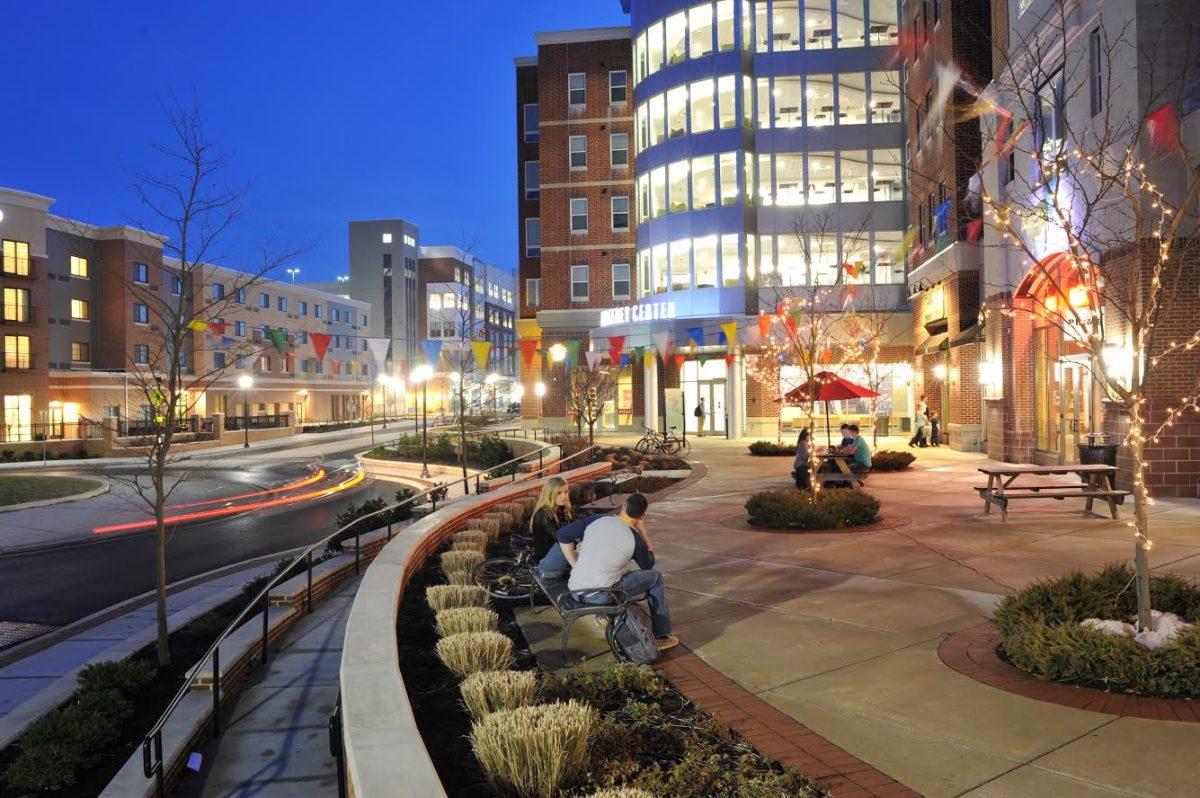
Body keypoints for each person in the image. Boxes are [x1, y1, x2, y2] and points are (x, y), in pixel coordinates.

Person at [555, 494, 678, 651]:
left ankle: (602, 616)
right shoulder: (636, 541)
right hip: (601, 594)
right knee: (655, 578)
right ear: (643, 515)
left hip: (575, 589)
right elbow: (648, 565)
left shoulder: (597, 519)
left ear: (624, 506)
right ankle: (662, 635)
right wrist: (644, 534)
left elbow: (562, 535)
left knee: (613, 573)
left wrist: (575, 564)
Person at [528, 477, 571, 564]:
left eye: (565, 492)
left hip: (560, 553)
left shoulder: (561, 510)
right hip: (547, 560)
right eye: (559, 493)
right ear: (550, 494)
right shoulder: (543, 514)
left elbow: (573, 529)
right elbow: (559, 537)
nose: (564, 496)